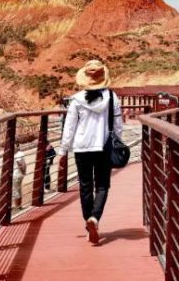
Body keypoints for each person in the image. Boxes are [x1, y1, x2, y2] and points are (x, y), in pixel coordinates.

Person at [57, 59, 123, 245]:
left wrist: (63, 151)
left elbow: (69, 128)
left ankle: (88, 220)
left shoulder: (76, 99)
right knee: (102, 186)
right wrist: (117, 142)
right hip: (103, 147)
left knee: (85, 186)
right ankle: (95, 219)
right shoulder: (112, 97)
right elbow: (118, 126)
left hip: (81, 148)